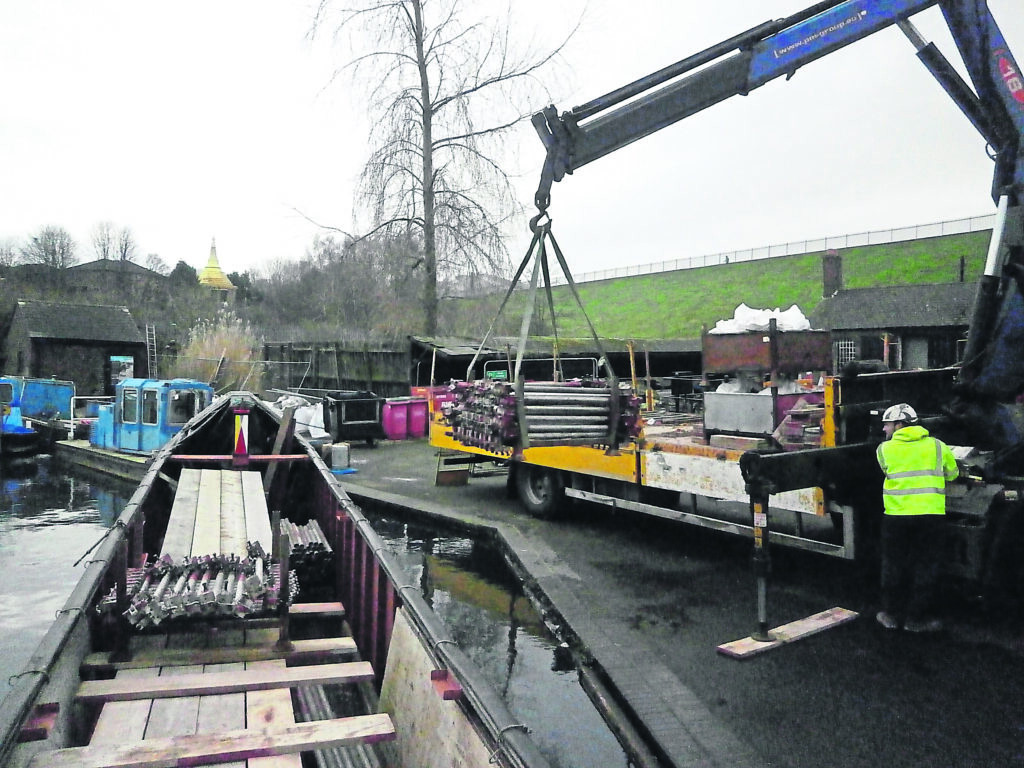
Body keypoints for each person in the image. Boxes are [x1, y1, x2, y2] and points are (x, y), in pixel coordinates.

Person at [875, 403, 959, 632]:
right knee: (926, 565)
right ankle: (916, 619)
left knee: (893, 563)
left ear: (900, 425)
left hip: (896, 517)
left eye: (887, 424)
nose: (884, 429)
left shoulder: (883, 449)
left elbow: (887, 470)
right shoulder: (938, 446)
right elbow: (953, 474)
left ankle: (890, 615)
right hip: (930, 517)